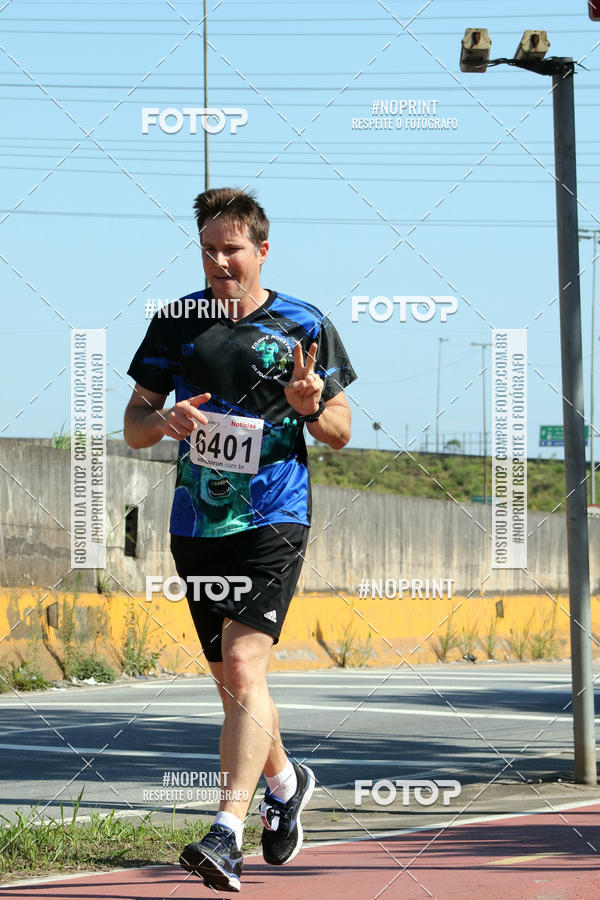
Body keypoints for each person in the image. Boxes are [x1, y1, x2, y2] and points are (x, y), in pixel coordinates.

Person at [124, 187, 356, 892]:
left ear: (261, 250)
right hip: (197, 523)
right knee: (234, 682)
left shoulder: (302, 325)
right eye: (208, 250)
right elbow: (134, 423)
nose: (220, 262)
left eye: (232, 249)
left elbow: (340, 431)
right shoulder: (175, 324)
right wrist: (162, 424)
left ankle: (225, 831)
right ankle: (285, 783)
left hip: (275, 517)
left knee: (245, 665)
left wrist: (311, 407)